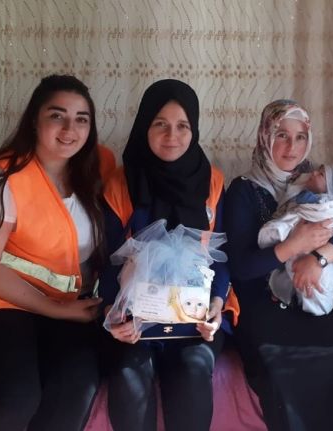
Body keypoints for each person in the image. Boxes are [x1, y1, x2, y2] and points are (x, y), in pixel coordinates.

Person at [0, 74, 107, 430]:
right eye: (57, 115)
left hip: (62, 306)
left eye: (81, 119)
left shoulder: (96, 168)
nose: (70, 129)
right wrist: (58, 310)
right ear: (34, 120)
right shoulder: (2, 177)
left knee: (76, 387)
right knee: (16, 398)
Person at [224, 99, 333, 430]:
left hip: (311, 297)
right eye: (282, 136)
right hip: (261, 306)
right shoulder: (243, 191)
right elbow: (241, 267)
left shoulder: (319, 181)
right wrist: (292, 247)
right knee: (283, 370)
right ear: (265, 136)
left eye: (300, 137)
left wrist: (318, 258)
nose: (292, 147)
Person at [99, 79, 232, 431]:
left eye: (182, 125)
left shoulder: (212, 181)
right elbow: (106, 260)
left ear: (194, 130)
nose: (172, 135)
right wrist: (114, 314)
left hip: (195, 318)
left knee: (193, 370)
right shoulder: (120, 183)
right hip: (134, 318)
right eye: (160, 124)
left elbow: (220, 255)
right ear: (145, 126)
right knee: (129, 370)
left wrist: (217, 306)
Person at [258, 163, 333, 315]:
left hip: (318, 256)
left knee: (315, 287)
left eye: (321, 174)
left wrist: (318, 258)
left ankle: (314, 303)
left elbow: (307, 218)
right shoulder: (245, 187)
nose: (313, 173)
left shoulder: (328, 208)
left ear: (332, 189)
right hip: (290, 255)